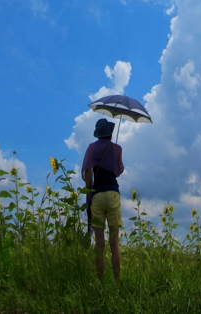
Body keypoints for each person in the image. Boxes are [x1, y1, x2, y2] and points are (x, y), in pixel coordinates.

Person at [82, 118, 124, 282]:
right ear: (111, 133)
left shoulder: (91, 148)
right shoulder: (117, 149)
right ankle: (117, 284)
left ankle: (100, 282)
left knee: (99, 244)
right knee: (114, 244)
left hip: (97, 195)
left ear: (98, 134)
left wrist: (89, 193)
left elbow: (87, 173)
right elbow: (118, 171)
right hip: (113, 194)